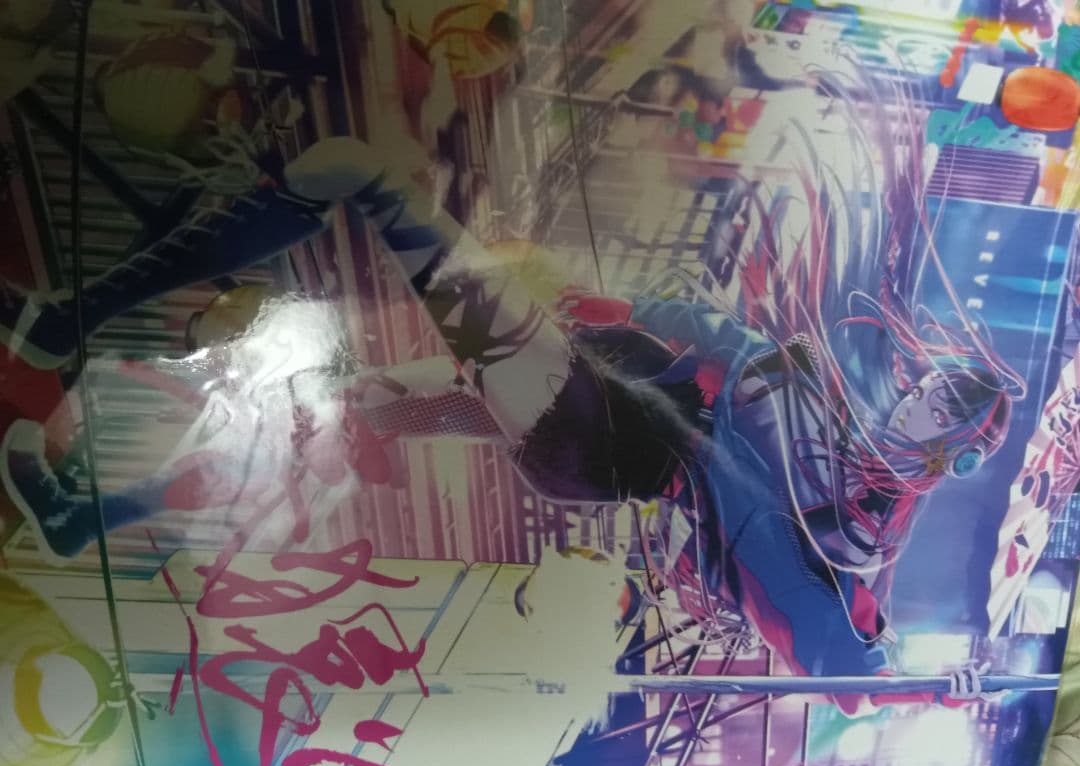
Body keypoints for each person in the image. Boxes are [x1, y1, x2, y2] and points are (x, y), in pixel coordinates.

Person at [0, 68, 1015, 714]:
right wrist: (621, 304)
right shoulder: (819, 403)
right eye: (929, 384)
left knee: (357, 171)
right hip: (590, 386)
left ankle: (65, 319)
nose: (915, 398)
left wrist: (922, 686)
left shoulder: (837, 534)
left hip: (586, 426)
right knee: (335, 409)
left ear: (951, 450)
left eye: (940, 407)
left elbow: (837, 653)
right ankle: (84, 518)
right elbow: (725, 338)